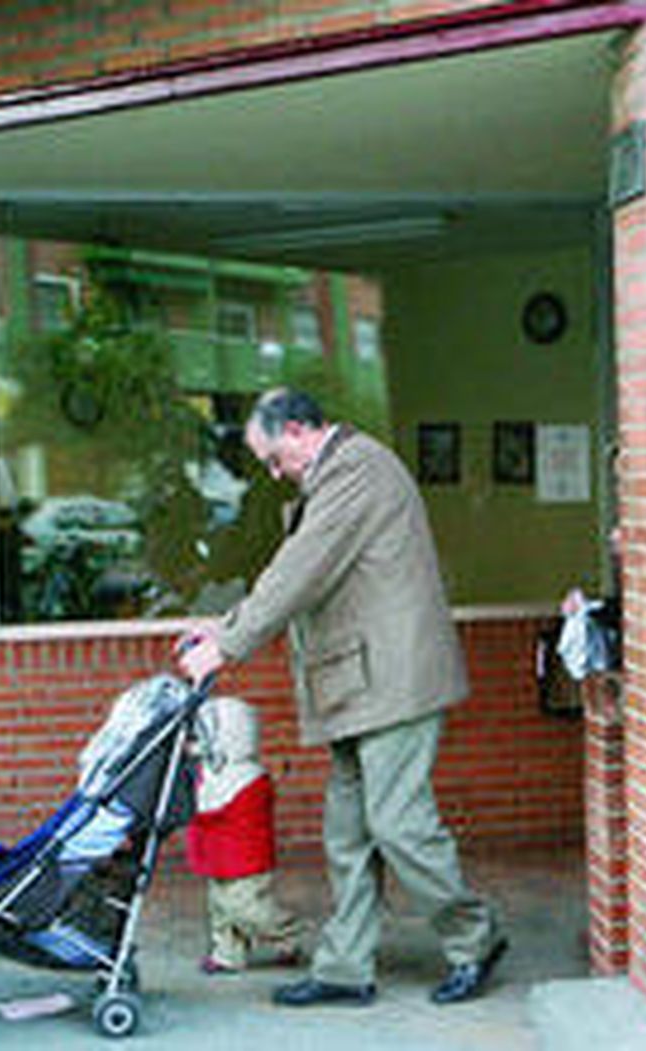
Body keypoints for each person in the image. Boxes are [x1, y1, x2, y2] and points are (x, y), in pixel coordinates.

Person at [175, 387, 505, 1008]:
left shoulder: (357, 469)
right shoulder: (337, 474)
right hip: (358, 682)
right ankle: (345, 968)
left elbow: (301, 567)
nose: (275, 474)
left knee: (398, 824)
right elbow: (303, 572)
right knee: (347, 832)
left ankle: (476, 938)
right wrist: (227, 626)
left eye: (276, 458)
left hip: (393, 681)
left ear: (299, 430)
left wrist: (228, 645)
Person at [186, 694, 303, 975]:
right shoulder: (210, 773)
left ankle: (287, 933)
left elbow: (210, 809)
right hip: (218, 857)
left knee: (248, 909)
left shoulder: (248, 778)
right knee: (221, 912)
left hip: (244, 860)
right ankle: (227, 954)